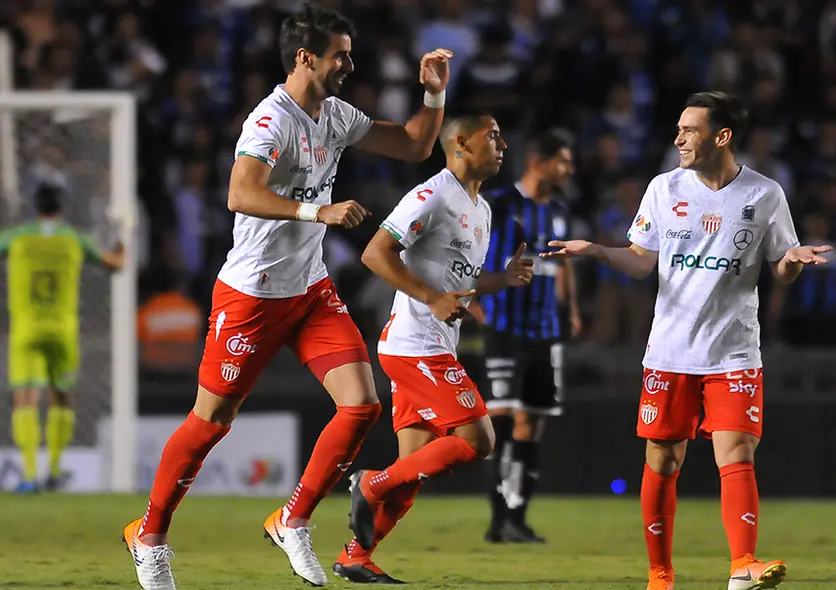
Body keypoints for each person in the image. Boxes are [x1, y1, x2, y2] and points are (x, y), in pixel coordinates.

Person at [122, 4, 454, 589]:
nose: (349, 64)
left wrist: (432, 96)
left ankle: (292, 518)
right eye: (340, 55)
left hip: (309, 289)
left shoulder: (334, 114)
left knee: (361, 405)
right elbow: (239, 192)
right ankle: (148, 536)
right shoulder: (270, 121)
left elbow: (411, 147)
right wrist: (317, 209)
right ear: (307, 58)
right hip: (251, 294)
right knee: (212, 420)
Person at [542, 91, 833, 590]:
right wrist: (595, 251)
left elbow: (780, 270)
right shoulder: (663, 188)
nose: (678, 138)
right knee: (663, 459)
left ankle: (743, 567)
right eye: (678, 128)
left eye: (689, 130)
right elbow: (640, 259)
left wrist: (793, 260)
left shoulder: (764, 195)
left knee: (737, 451)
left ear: (722, 137)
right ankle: (661, 573)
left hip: (734, 349)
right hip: (671, 350)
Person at [335, 113, 533, 583]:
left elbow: (457, 281)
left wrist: (501, 280)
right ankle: (370, 482)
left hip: (434, 344)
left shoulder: (479, 208)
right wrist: (432, 299)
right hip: (415, 347)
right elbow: (374, 253)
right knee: (478, 440)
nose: (503, 144)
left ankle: (354, 556)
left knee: (413, 470)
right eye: (493, 136)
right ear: (461, 143)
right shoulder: (431, 194)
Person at [475, 128, 581, 543]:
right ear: (540, 159)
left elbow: (563, 261)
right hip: (505, 328)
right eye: (564, 161)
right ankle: (497, 519)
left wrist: (569, 308)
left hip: (546, 333)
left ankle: (518, 517)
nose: (569, 169)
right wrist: (474, 303)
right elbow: (471, 249)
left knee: (533, 424)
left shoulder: (558, 208)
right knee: (500, 422)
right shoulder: (500, 204)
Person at [0, 184, 124, 493]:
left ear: (35, 206)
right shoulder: (73, 238)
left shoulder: (17, 237)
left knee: (25, 398)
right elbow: (115, 264)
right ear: (61, 207)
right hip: (62, 329)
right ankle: (54, 470)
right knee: (61, 396)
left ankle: (29, 474)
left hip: (26, 328)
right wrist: (123, 243)